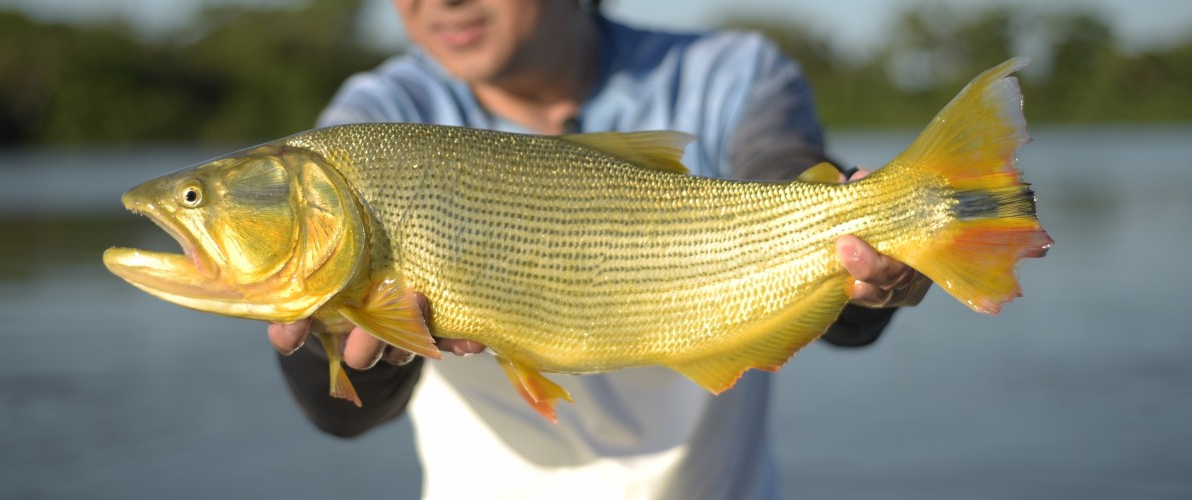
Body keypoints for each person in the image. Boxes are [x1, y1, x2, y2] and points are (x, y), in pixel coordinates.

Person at [268, 0, 931, 498]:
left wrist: (864, 262)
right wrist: (348, 352)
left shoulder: (733, 72)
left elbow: (783, 174)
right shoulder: (379, 114)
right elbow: (341, 415)